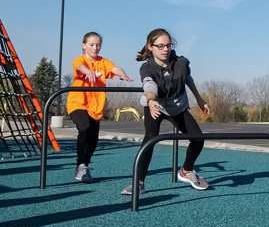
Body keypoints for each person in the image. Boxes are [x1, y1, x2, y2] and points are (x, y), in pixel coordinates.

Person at [121, 28, 211, 195]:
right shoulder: (147, 68)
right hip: (155, 106)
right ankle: (139, 182)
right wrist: (151, 100)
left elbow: (188, 79)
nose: (165, 50)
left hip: (177, 107)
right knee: (150, 138)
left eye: (168, 45)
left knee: (198, 138)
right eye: (160, 46)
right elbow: (149, 85)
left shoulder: (181, 62)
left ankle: (186, 170)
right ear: (150, 47)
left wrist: (199, 99)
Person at [66, 32, 134, 183]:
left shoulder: (103, 62)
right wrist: (88, 72)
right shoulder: (80, 60)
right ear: (84, 45)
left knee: (94, 139)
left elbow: (114, 69)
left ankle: (83, 166)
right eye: (91, 45)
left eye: (98, 45)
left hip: (95, 106)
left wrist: (122, 74)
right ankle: (81, 164)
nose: (95, 48)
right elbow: (79, 67)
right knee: (85, 126)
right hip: (77, 103)